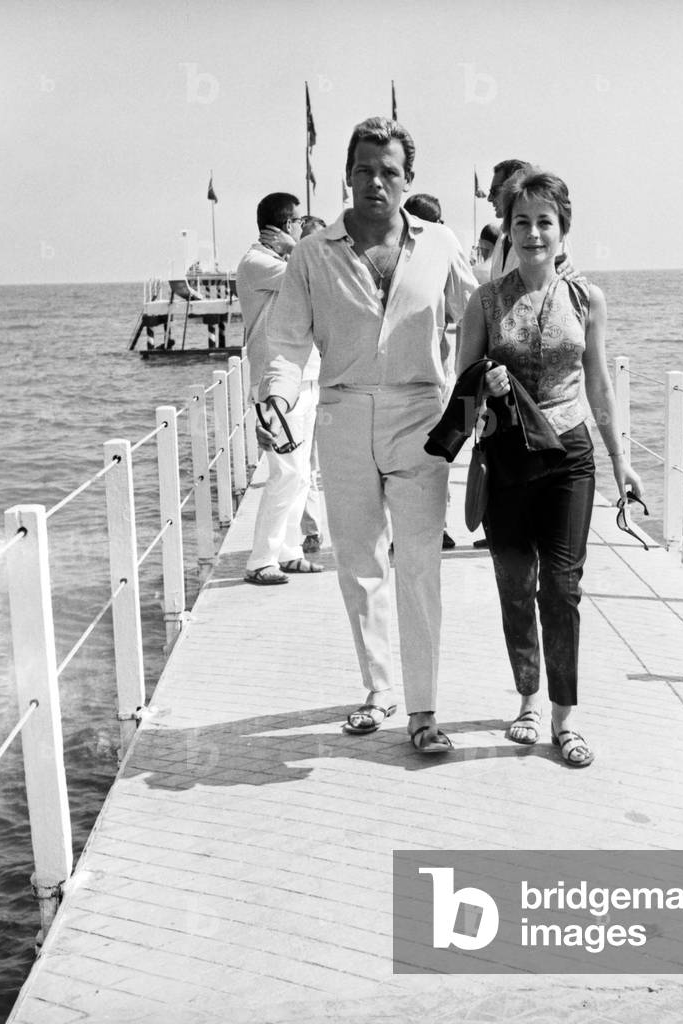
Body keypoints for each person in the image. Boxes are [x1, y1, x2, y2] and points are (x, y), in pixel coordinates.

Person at [260, 116, 477, 753]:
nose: (376, 182)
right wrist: (275, 396)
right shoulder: (310, 253)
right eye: (363, 170)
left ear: (408, 179)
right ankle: (378, 690)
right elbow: (285, 342)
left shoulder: (439, 243)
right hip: (342, 414)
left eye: (389, 171)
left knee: (418, 567)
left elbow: (480, 317)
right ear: (346, 176)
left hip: (421, 415)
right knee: (359, 566)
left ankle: (424, 711)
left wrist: (470, 409)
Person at [455, 168, 643, 767]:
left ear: (563, 230)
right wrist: (481, 394)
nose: (534, 233)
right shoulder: (483, 301)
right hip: (508, 459)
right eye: (522, 222)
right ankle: (528, 702)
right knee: (515, 585)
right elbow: (461, 391)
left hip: (569, 456)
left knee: (561, 588)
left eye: (545, 222)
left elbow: (599, 384)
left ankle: (565, 717)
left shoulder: (587, 298)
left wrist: (623, 464)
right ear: (507, 231)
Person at [237, 192, 323, 585]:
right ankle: (260, 559)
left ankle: (287, 552)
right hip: (274, 385)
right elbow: (311, 274)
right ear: (284, 225)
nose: (300, 230)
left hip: (303, 378)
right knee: (285, 472)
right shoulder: (257, 263)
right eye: (297, 223)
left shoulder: (279, 261)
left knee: (301, 474)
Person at [403, 192, 457, 551]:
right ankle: (435, 526)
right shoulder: (441, 253)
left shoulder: (435, 252)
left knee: (429, 455)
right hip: (440, 376)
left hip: (438, 375)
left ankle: (435, 526)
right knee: (435, 455)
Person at [296, 214, 328, 555]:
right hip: (301, 380)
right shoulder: (296, 277)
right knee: (302, 464)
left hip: (331, 378)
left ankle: (314, 527)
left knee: (319, 462)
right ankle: (309, 530)